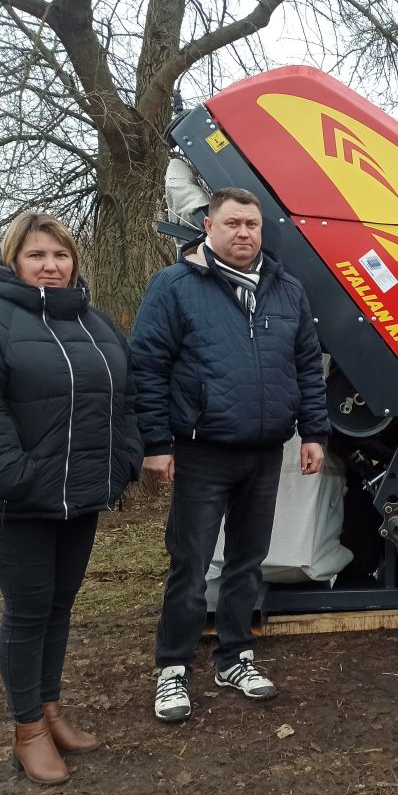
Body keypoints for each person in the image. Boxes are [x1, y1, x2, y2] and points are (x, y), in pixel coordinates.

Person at [0, 212, 143, 785]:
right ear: (13, 262)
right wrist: (20, 475)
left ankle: (52, 710)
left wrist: (122, 462)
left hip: (80, 497)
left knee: (59, 607)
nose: (51, 266)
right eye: (37, 256)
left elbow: (124, 400)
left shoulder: (95, 324)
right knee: (28, 611)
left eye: (60, 255)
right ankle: (27, 729)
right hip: (16, 501)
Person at [130, 186, 328, 723]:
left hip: (264, 451)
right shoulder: (174, 287)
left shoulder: (286, 289)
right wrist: (154, 443)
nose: (244, 233)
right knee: (190, 562)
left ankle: (235, 656)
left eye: (253, 224)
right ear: (209, 227)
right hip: (200, 451)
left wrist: (314, 432)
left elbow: (307, 366)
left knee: (248, 560)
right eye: (233, 223)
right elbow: (146, 367)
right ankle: (173, 668)